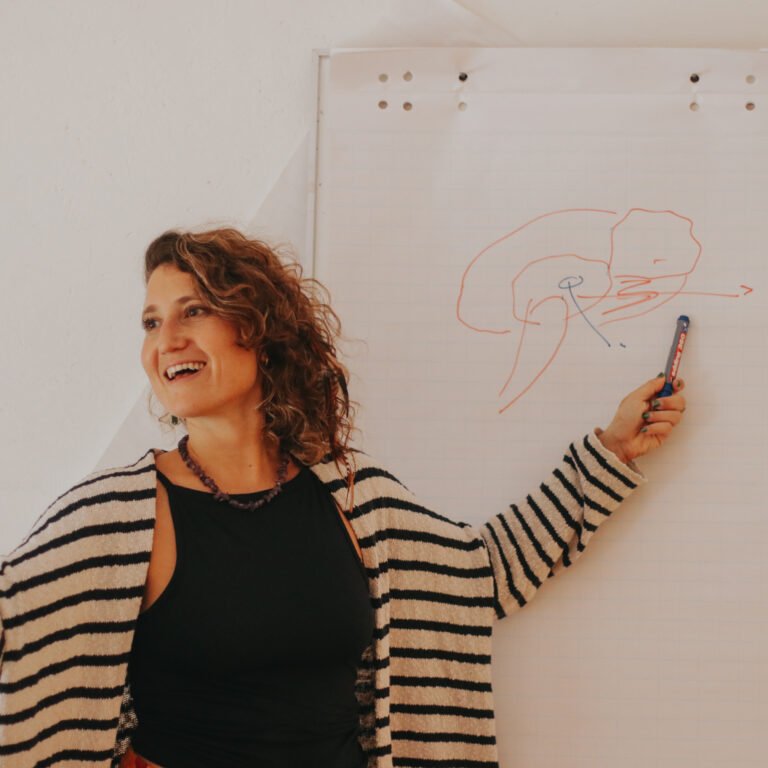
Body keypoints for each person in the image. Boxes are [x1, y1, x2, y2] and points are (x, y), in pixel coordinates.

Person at [0, 228, 686, 768]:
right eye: (150, 323)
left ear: (258, 329)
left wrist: (612, 452)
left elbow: (483, 575)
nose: (165, 341)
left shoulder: (356, 501)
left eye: (194, 310)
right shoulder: (117, 520)